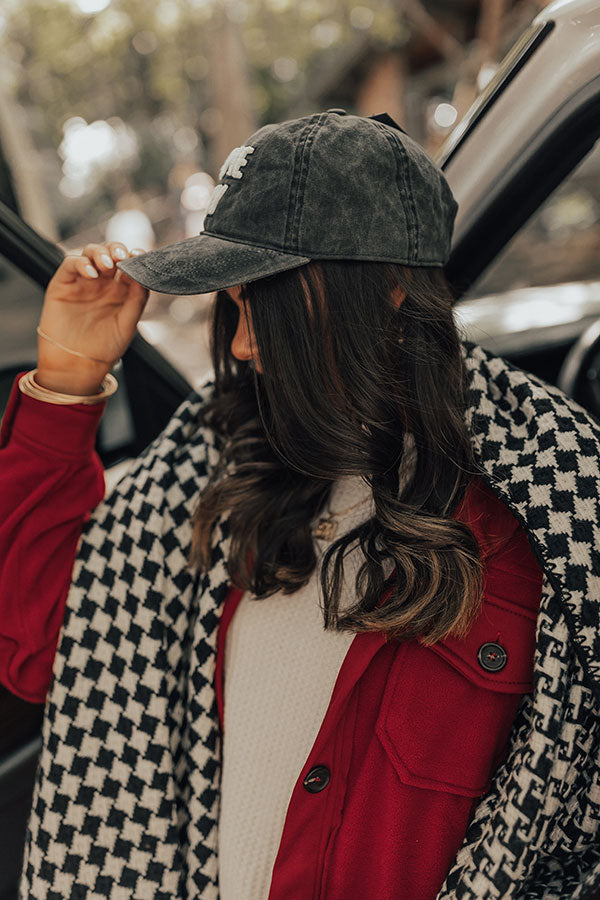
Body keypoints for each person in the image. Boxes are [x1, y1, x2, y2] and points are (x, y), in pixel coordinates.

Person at [1, 110, 599, 900]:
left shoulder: (553, 520)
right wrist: (67, 380)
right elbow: (49, 651)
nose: (242, 347)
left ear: (388, 293)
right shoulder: (213, 470)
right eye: (235, 306)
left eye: (267, 304)